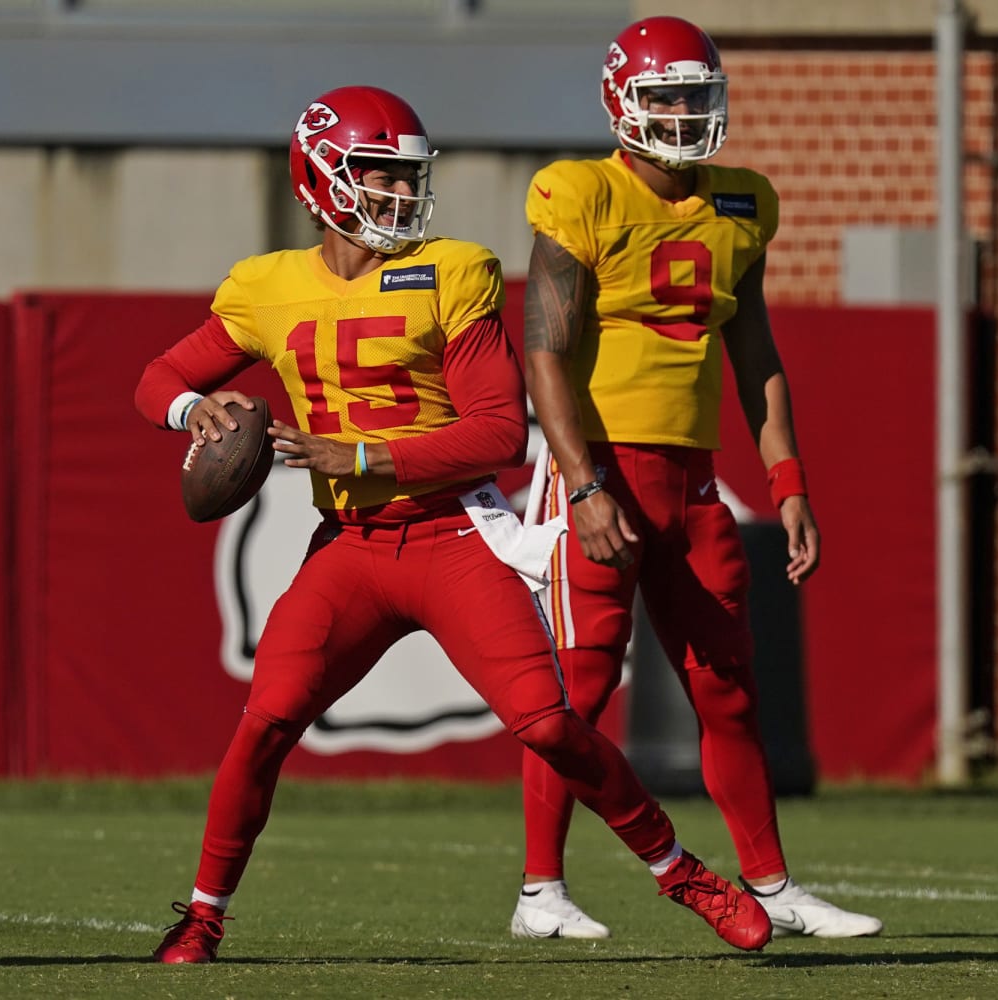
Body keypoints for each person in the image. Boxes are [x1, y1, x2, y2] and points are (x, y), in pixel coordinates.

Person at [135, 84, 772, 964]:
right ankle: (202, 917)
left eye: (409, 178)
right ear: (320, 176)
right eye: (381, 175)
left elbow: (498, 433)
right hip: (352, 552)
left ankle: (682, 873)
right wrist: (190, 412)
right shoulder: (265, 286)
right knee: (266, 722)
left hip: (452, 536)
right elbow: (158, 375)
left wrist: (356, 457)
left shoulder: (453, 270)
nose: (402, 196)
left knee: (550, 724)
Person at [511, 17, 883, 941]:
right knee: (578, 691)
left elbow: (754, 347)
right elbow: (544, 351)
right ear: (621, 102)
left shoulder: (744, 203)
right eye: (665, 96)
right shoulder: (579, 191)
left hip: (692, 476)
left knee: (728, 686)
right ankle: (539, 890)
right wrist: (584, 484)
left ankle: (772, 884)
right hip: (599, 469)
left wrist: (788, 478)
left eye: (695, 96)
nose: (683, 114)